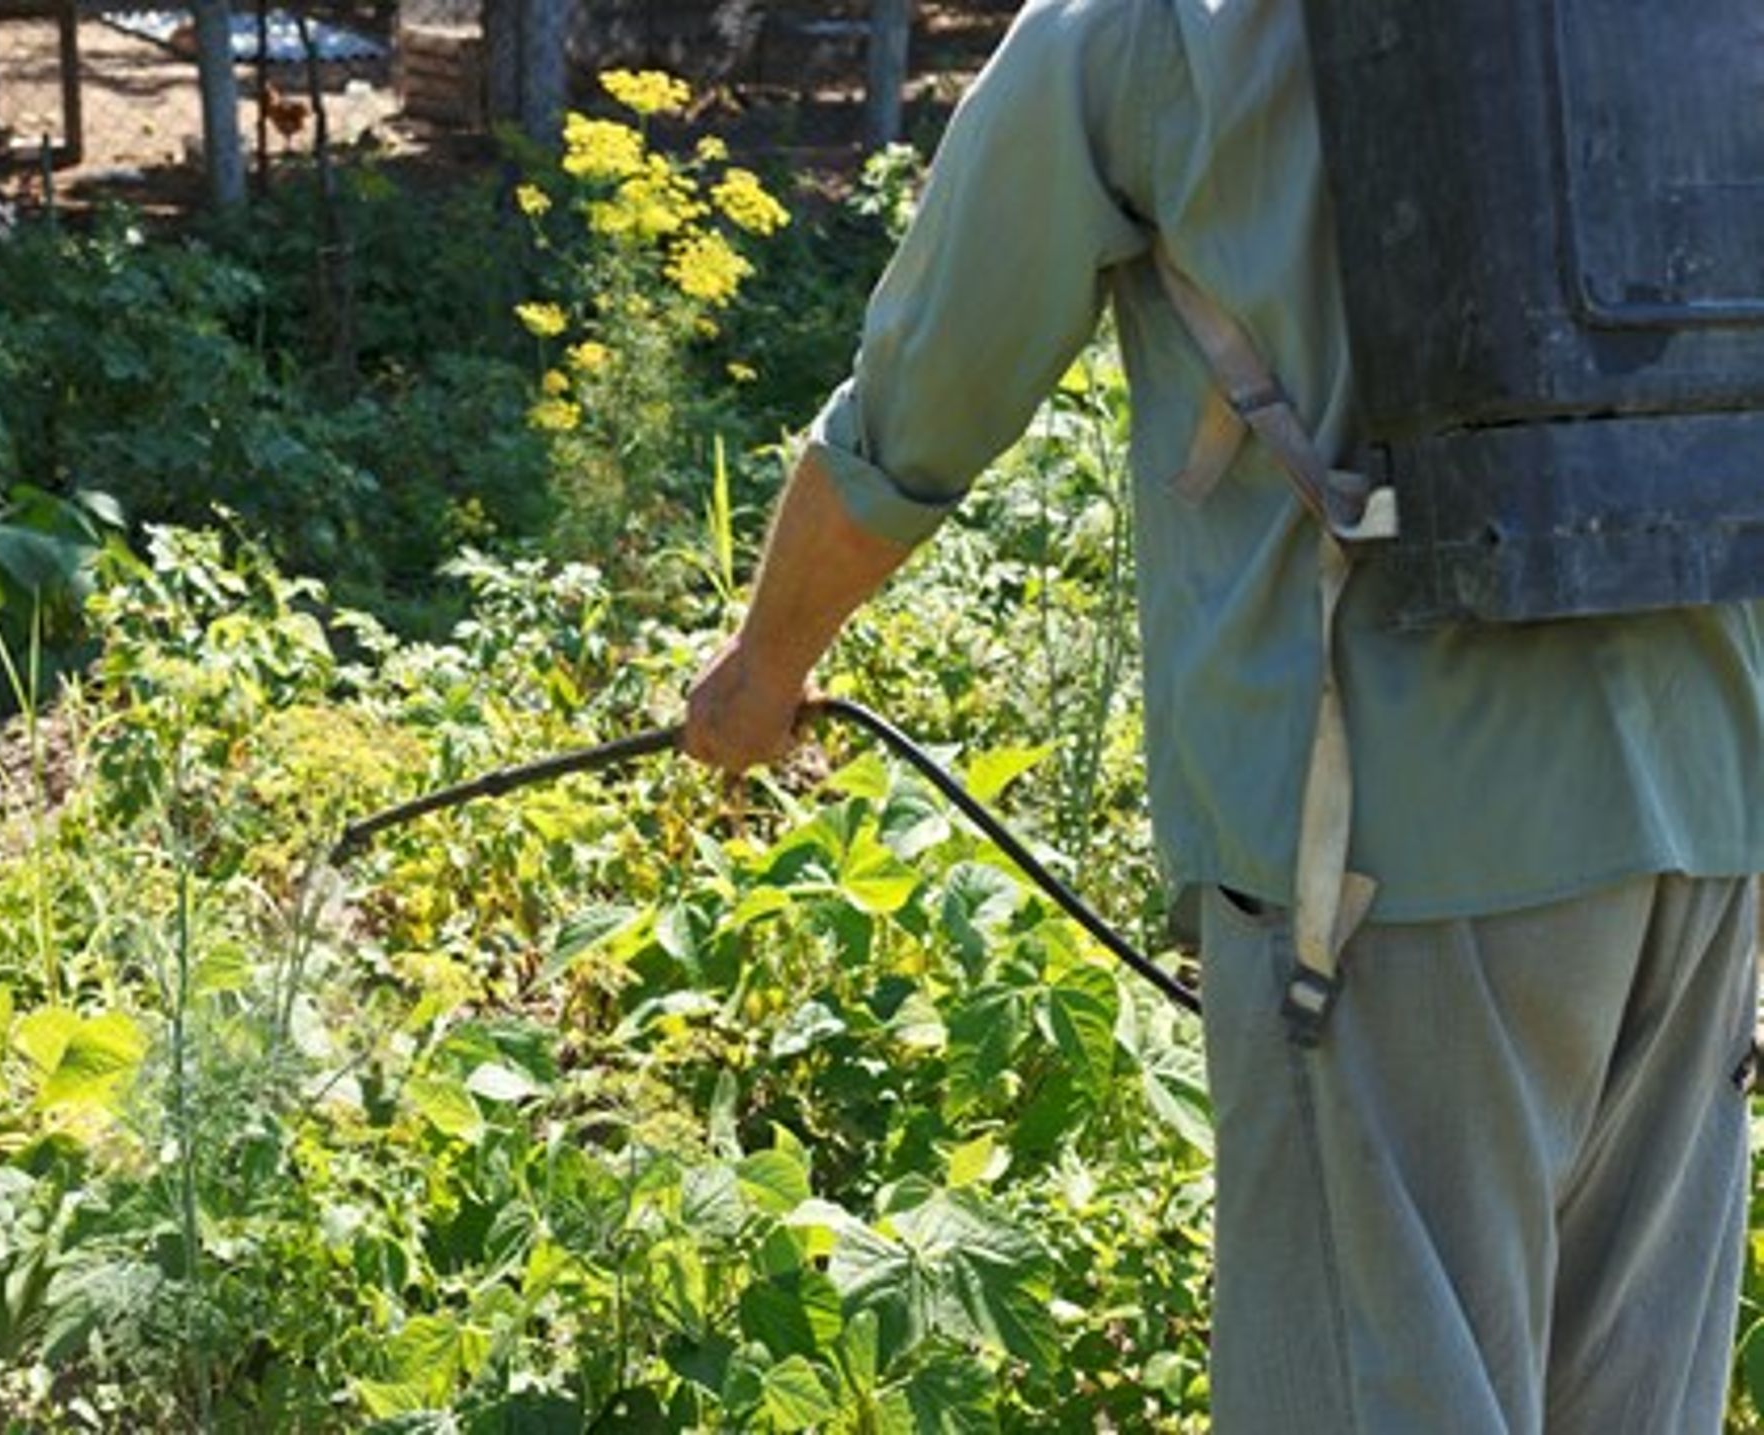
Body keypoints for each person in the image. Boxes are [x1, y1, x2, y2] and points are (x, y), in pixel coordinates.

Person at [679, 1, 1764, 1429]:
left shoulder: (1153, 28)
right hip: (1709, 814)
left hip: (1392, 855)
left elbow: (923, 394)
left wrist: (764, 667)